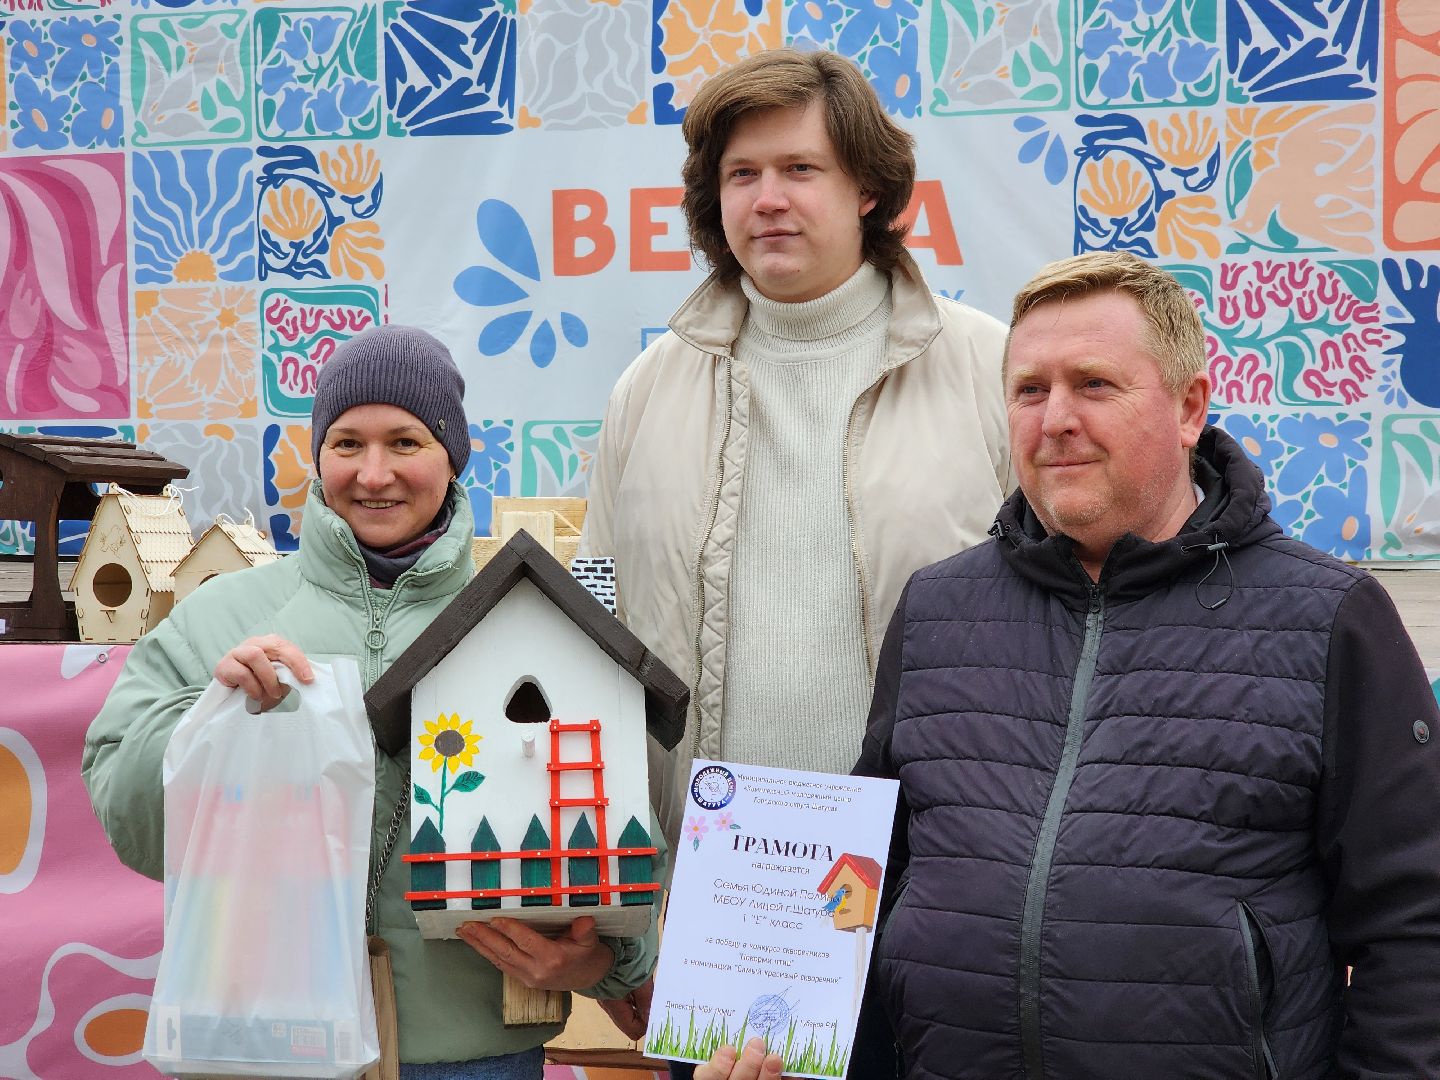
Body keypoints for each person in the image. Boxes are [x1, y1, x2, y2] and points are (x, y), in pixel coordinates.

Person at [854, 251, 1440, 1076]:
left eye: (1093, 384)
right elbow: (871, 880)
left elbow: (1414, 921)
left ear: (1189, 405)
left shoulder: (1328, 616)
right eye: (1030, 389)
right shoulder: (937, 610)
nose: (1054, 418)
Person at [579, 49, 1011, 1058]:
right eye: (742, 175)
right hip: (720, 918)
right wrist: (623, 930)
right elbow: (591, 641)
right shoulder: (646, 391)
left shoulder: (994, 370)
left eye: (800, 170)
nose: (768, 199)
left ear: (868, 187)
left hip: (935, 914)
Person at [83, 325, 660, 1079]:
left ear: (453, 455)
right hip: (268, 1044)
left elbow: (627, 808)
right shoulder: (221, 616)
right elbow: (131, 819)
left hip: (469, 1056)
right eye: (347, 443)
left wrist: (604, 959)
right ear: (318, 455)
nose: (374, 472)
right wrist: (209, 722)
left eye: (406, 442)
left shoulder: (525, 620)